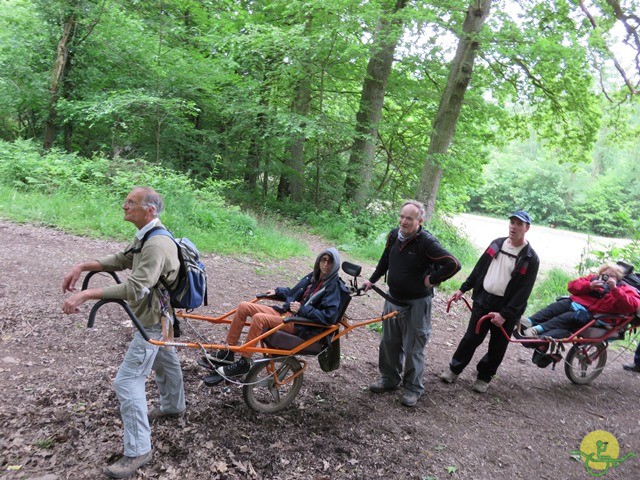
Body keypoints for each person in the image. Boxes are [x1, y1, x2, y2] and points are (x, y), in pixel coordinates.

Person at [61, 187, 185, 479]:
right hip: (158, 315)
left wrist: (87, 294)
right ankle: (173, 406)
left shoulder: (157, 244)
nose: (124, 206)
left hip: (153, 318)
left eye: (131, 203)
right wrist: (82, 265)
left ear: (149, 210)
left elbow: (134, 288)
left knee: (127, 382)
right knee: (165, 357)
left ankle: (139, 449)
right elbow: (122, 259)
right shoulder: (147, 235)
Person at [362, 200, 461, 407]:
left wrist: (432, 279)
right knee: (389, 343)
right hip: (392, 299)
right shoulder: (393, 235)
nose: (403, 221)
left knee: (413, 347)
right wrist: (372, 280)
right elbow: (385, 259)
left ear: (420, 220)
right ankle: (389, 380)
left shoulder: (426, 242)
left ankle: (413, 389)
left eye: (409, 218)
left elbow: (453, 264)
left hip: (417, 304)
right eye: (401, 216)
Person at [440, 210, 539, 393]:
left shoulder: (530, 258)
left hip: (508, 307)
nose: (514, 226)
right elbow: (479, 268)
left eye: (519, 224)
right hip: (484, 299)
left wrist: (505, 314)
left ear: (527, 228)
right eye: (512, 222)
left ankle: (484, 377)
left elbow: (523, 292)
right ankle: (454, 369)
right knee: (471, 338)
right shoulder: (496, 244)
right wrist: (463, 288)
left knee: (498, 345)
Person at [212, 248, 343, 379]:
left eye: (330, 262)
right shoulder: (314, 276)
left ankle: (244, 363)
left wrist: (302, 310)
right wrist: (277, 291)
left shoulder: (333, 286)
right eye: (323, 260)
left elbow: (329, 317)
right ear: (319, 261)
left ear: (335, 265)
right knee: (243, 306)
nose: (326, 265)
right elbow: (294, 292)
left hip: (300, 324)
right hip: (288, 314)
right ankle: (227, 352)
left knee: (259, 318)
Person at [519, 263, 640, 339]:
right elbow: (571, 286)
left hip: (594, 316)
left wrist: (614, 289)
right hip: (576, 304)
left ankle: (536, 330)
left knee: (567, 317)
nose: (607, 278)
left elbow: (632, 306)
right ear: (600, 274)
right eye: (605, 275)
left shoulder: (623, 289)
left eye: (612, 276)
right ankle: (529, 321)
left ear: (618, 278)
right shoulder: (593, 279)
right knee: (556, 306)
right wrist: (590, 286)